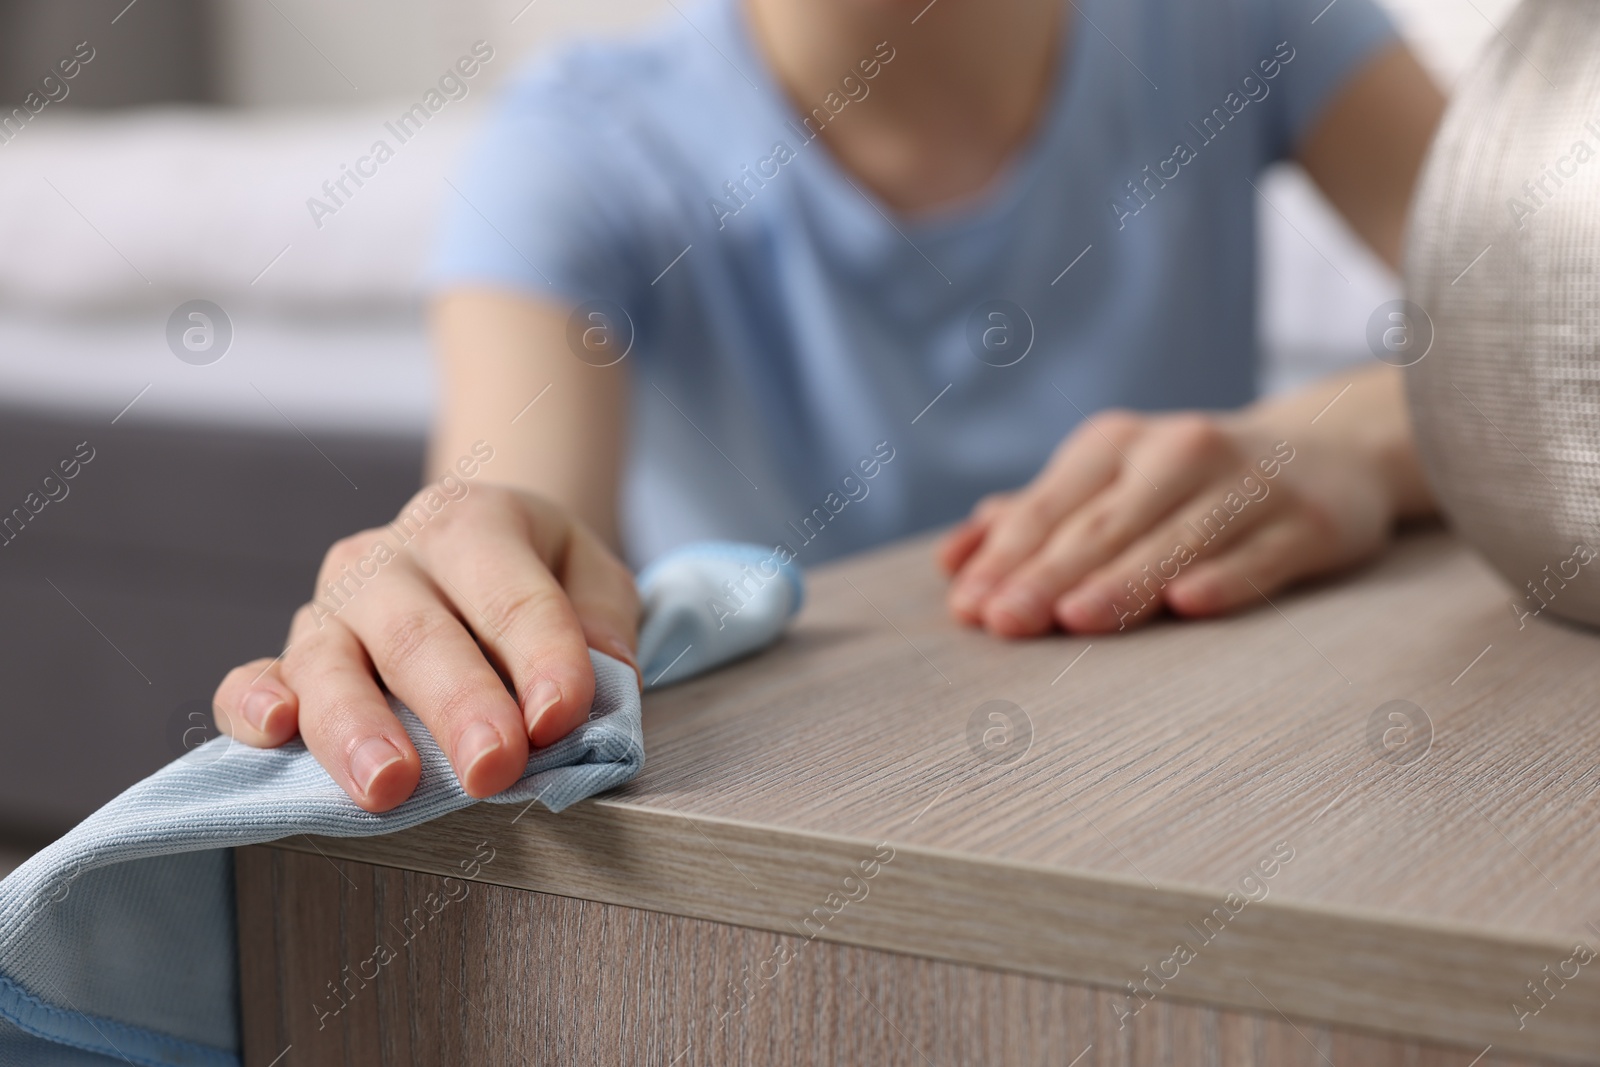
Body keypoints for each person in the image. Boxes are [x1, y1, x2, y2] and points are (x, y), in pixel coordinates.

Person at [213, 0, 1445, 812]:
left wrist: (1358, 440)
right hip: (812, 827)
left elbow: (1564, 314)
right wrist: (460, 569)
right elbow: (506, 499)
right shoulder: (576, 146)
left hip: (1204, 778)